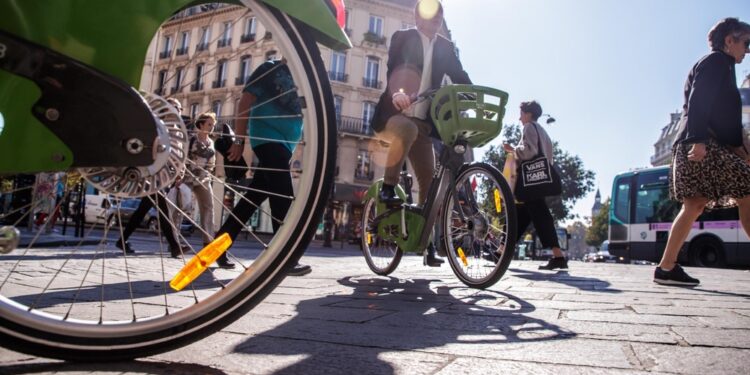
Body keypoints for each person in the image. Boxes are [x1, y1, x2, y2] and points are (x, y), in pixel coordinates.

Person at [371, 0, 471, 266]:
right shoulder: (403, 37)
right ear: (417, 18)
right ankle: (388, 188)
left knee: (431, 183)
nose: (435, 21)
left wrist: (474, 95)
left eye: (439, 17)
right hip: (395, 115)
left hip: (424, 125)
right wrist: (399, 94)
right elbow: (396, 68)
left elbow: (459, 75)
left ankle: (427, 246)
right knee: (405, 128)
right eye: (430, 17)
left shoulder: (445, 47)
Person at [654, 18, 750, 286]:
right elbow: (699, 99)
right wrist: (698, 140)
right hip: (701, 143)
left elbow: (724, 117)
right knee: (747, 193)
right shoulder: (717, 61)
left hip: (701, 143)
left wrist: (740, 149)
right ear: (729, 40)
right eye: (746, 42)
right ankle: (666, 267)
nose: (748, 50)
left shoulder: (722, 65)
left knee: (695, 204)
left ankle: (666, 268)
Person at [216, 57, 311, 275]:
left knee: (251, 200)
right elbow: (245, 101)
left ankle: (217, 248)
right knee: (284, 195)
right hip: (266, 138)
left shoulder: (304, 78)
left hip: (286, 145)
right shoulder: (270, 68)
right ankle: (283, 256)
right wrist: (239, 141)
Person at [116, 98, 187, 257]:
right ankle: (174, 245)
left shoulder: (179, 132)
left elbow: (179, 156)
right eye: (173, 107)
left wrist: (179, 171)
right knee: (162, 209)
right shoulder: (158, 128)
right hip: (153, 175)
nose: (176, 111)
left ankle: (122, 240)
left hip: (167, 177)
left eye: (179, 108)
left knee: (142, 211)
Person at [503, 101, 567, 270]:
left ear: (529, 114)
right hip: (539, 179)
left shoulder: (529, 127)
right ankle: (502, 251)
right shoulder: (543, 131)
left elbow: (528, 152)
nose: (519, 118)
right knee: (521, 216)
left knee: (540, 216)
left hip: (530, 181)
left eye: (521, 113)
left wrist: (512, 150)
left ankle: (558, 256)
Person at [172, 111, 217, 250]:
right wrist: (179, 176)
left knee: (208, 208)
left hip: (203, 179)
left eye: (213, 125)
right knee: (180, 207)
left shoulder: (211, 142)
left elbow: (212, 163)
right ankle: (175, 241)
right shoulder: (191, 139)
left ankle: (208, 242)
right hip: (188, 177)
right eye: (209, 124)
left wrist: (209, 173)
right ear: (201, 124)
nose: (211, 127)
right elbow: (182, 158)